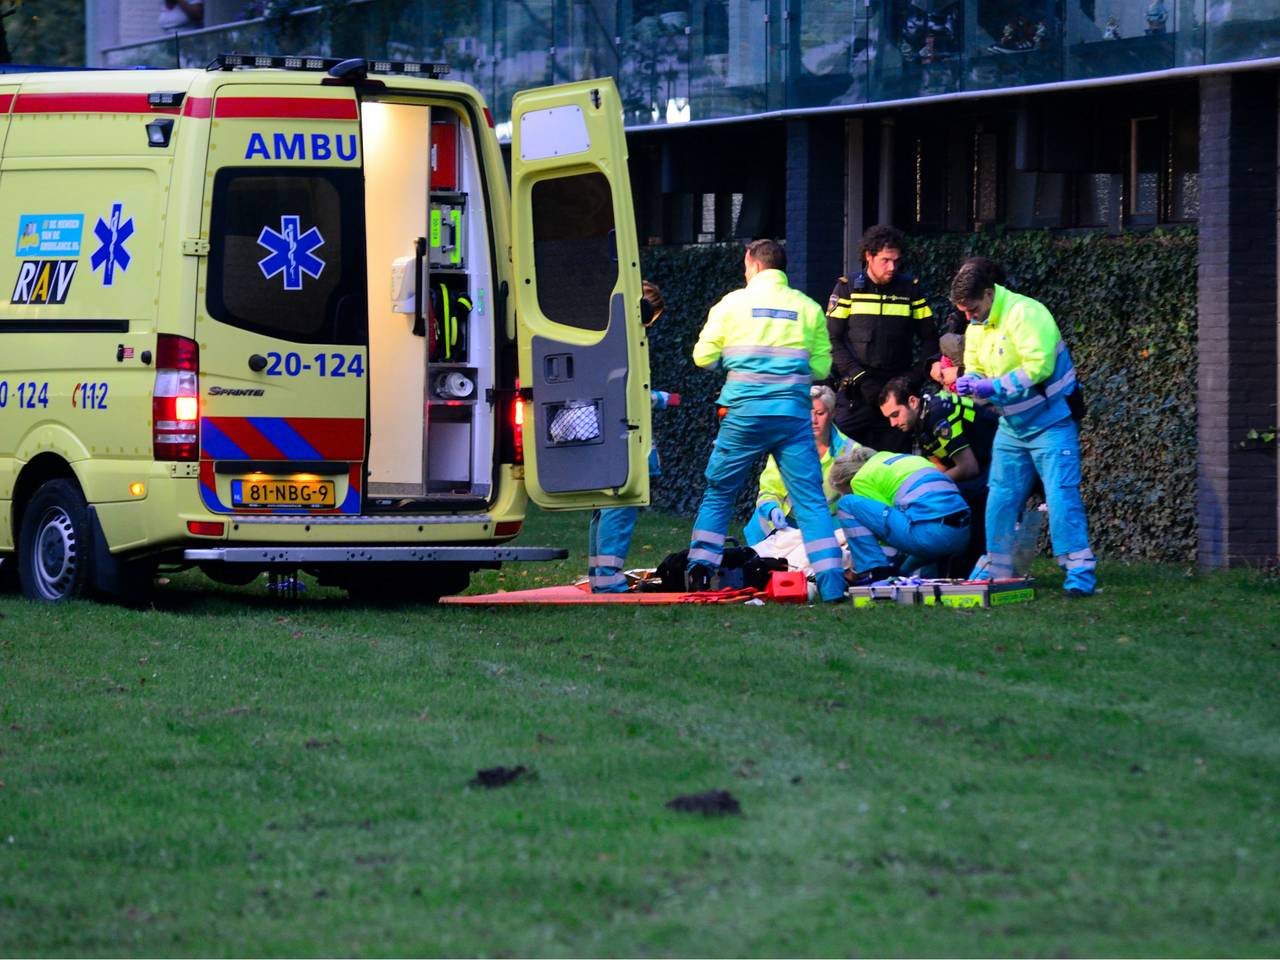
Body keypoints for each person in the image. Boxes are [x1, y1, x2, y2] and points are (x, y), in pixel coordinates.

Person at [686, 239, 846, 602]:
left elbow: (702, 356)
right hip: (791, 416)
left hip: (743, 415)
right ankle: (833, 585)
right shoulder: (807, 308)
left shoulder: (732, 304)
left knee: (720, 493)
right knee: (811, 502)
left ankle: (699, 574)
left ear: (752, 263)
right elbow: (821, 368)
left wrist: (736, 366)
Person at [950, 258, 1097, 596]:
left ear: (988, 294)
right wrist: (969, 382)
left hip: (1052, 423)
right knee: (999, 498)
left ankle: (1079, 577)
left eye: (972, 309)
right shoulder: (976, 326)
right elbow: (975, 366)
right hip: (1013, 427)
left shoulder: (1026, 314)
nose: (969, 317)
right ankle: (998, 574)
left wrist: (992, 388)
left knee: (1061, 498)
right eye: (964, 312)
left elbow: (1039, 368)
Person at [586, 281, 680, 592]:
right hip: (624, 438)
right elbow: (628, 393)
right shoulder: (625, 343)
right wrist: (663, 398)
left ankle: (599, 578)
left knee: (603, 509)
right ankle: (609, 585)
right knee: (620, 508)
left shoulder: (602, 335)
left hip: (605, 436)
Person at [825, 224, 938, 453]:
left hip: (896, 394)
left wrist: (910, 381)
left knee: (896, 465)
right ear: (868, 256)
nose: (892, 267)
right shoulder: (847, 289)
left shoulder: (910, 290)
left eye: (896, 261)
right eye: (885, 260)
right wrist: (860, 378)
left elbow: (930, 340)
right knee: (841, 462)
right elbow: (831, 340)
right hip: (856, 395)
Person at [879, 375, 996, 573]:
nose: (893, 423)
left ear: (913, 402)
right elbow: (940, 466)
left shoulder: (938, 415)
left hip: (994, 462)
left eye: (895, 414)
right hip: (982, 465)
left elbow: (968, 467)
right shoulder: (920, 421)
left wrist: (930, 488)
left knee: (959, 500)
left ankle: (968, 569)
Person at [828, 445, 971, 583]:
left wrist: (864, 570)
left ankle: (873, 573)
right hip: (962, 533)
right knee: (903, 571)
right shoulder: (909, 460)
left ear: (848, 481)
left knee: (846, 504)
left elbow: (883, 530)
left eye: (847, 490)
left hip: (930, 536)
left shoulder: (861, 479)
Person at [743, 384, 858, 545]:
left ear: (832, 413)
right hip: (776, 527)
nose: (813, 420)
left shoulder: (851, 452)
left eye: (820, 413)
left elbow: (857, 501)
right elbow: (770, 489)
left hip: (826, 526)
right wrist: (771, 509)